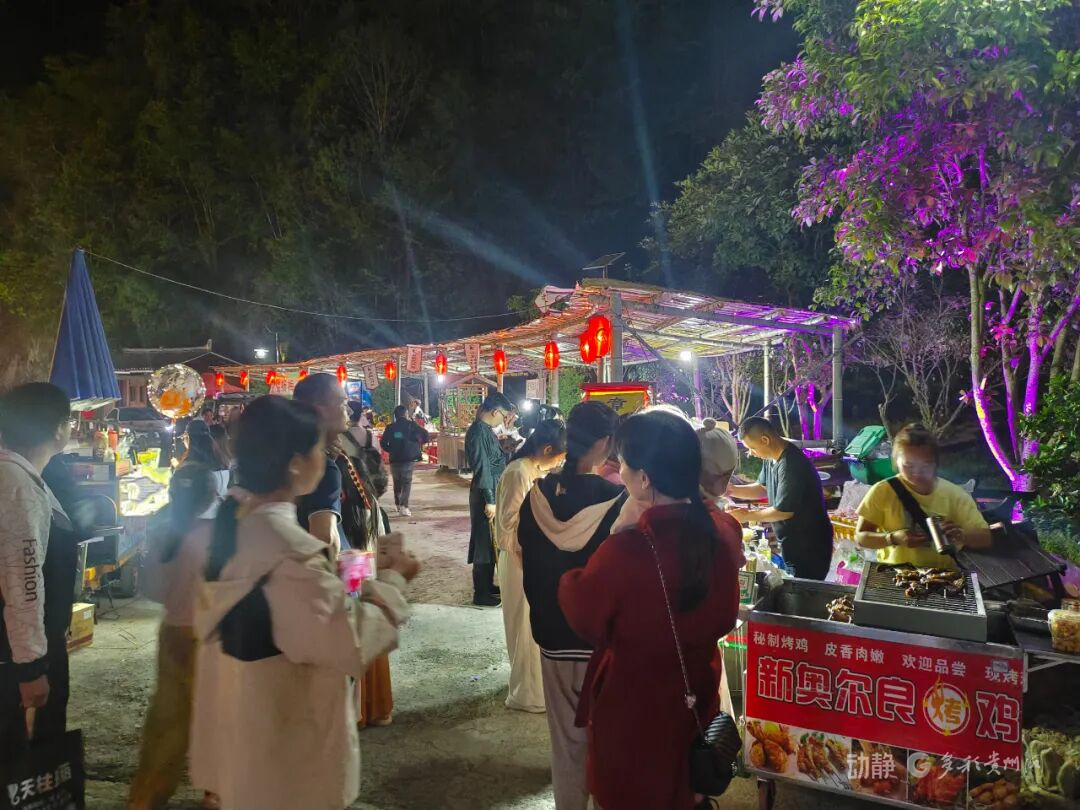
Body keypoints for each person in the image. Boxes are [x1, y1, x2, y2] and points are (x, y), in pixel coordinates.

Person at [189, 396, 419, 810]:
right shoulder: (288, 550)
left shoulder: (238, 522)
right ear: (295, 463)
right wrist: (394, 579)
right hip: (286, 761)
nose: (324, 456)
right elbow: (347, 641)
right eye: (317, 449)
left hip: (246, 745)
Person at [558, 410, 743, 810]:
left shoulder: (626, 550)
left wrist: (614, 533)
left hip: (633, 714)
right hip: (696, 699)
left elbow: (582, 611)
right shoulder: (722, 534)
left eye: (623, 463)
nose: (619, 470)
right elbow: (726, 616)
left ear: (643, 478)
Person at [517, 401, 627, 810]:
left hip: (552, 635)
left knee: (565, 742)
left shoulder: (537, 495)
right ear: (602, 443)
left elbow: (526, 558)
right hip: (601, 644)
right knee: (607, 741)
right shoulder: (617, 501)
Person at [130, 463, 219, 810]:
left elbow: (152, 589)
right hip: (209, 640)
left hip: (172, 636)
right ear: (211, 495)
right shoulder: (219, 531)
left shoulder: (163, 532)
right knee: (215, 720)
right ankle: (216, 794)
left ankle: (145, 799)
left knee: (166, 727)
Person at [0, 383, 72, 763]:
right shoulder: (15, 484)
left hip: (20, 650)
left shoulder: (20, 476)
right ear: (59, 428)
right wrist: (31, 667)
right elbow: (23, 575)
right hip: (17, 657)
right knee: (24, 762)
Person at [495, 419, 567, 714]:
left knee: (533, 626)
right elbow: (509, 525)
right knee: (523, 629)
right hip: (519, 559)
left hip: (531, 558)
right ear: (547, 449)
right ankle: (526, 694)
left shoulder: (533, 470)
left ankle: (536, 689)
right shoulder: (518, 472)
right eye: (560, 456)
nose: (560, 462)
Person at [855, 423, 992, 569]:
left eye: (925, 465)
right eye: (909, 466)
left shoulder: (955, 494)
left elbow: (986, 537)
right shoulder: (883, 491)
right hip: (897, 575)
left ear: (935, 462)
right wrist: (893, 538)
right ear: (896, 461)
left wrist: (962, 535)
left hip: (945, 576)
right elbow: (860, 538)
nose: (917, 473)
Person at [727, 417, 833, 580]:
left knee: (803, 588)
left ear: (765, 440)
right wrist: (730, 490)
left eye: (752, 448)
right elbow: (762, 488)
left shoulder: (792, 464)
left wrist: (746, 516)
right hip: (790, 541)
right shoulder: (771, 458)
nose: (751, 454)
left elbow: (783, 511)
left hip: (809, 545)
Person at [292, 373, 351, 555]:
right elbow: (325, 541)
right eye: (342, 403)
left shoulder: (288, 457)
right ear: (320, 410)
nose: (348, 410)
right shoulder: (323, 469)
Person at [465, 392, 514, 606]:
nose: (502, 420)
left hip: (492, 488)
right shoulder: (478, 432)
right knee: (483, 542)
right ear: (495, 411)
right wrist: (490, 499)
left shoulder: (485, 430)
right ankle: (481, 592)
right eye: (503, 416)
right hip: (485, 492)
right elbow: (482, 467)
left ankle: (487, 584)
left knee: (491, 539)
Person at [381, 405, 429, 518]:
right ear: (406, 414)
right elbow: (425, 434)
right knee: (406, 482)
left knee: (397, 481)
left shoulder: (390, 427)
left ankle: (398, 504)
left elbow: (383, 443)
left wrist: (391, 449)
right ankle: (404, 506)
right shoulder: (411, 425)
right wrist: (419, 443)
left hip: (394, 458)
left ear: (395, 416)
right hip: (408, 458)